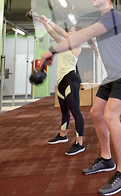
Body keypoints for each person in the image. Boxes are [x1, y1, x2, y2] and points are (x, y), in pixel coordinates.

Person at [41, 0, 121, 196]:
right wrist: (52, 30)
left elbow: (80, 36)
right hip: (112, 76)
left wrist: (51, 51)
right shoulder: (100, 20)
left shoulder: (114, 17)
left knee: (110, 116)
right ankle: (106, 159)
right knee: (96, 113)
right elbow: (74, 37)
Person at [37, 16, 85, 155]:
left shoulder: (76, 45)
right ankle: (63, 135)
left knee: (75, 111)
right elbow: (53, 33)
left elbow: (60, 31)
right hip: (61, 81)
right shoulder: (63, 45)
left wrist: (48, 20)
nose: (68, 33)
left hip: (71, 79)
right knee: (64, 111)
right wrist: (44, 23)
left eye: (71, 31)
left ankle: (79, 142)